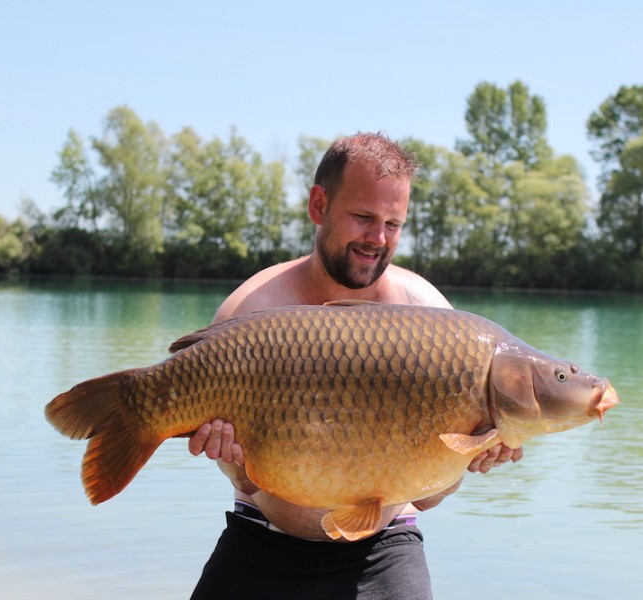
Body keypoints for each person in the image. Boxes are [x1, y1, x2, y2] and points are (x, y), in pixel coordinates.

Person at [187, 132, 522, 599]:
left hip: (383, 550)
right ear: (319, 205)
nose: (378, 239)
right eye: (364, 217)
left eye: (393, 223)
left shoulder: (431, 317)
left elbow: (426, 497)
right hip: (261, 540)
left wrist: (470, 456)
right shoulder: (252, 311)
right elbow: (244, 478)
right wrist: (231, 460)